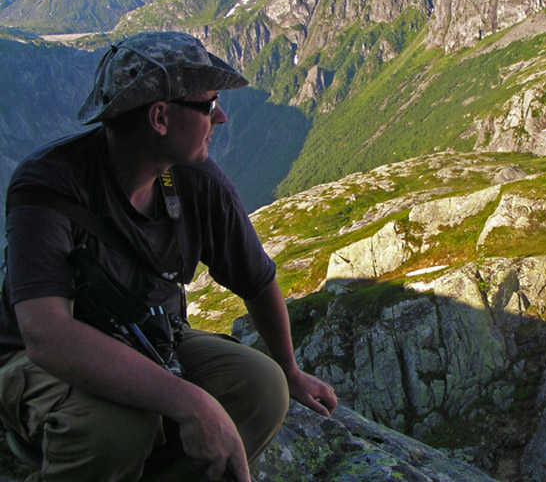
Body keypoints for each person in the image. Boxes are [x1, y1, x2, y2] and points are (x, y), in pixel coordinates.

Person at [0, 31, 337, 481]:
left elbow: (256, 281)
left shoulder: (199, 181)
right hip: (32, 356)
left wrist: (291, 371)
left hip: (152, 335)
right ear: (160, 116)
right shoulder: (49, 185)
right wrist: (192, 403)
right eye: (207, 105)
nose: (219, 118)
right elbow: (47, 335)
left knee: (263, 387)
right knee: (114, 429)